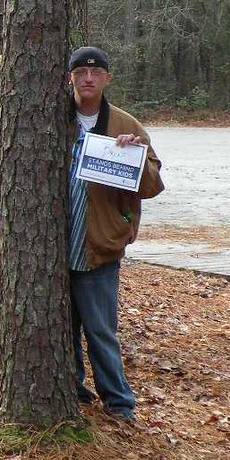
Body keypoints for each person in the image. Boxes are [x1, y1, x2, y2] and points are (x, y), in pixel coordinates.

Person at [66, 46, 164, 422]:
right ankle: (71, 388)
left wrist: (134, 159)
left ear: (107, 79)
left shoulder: (126, 125)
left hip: (99, 248)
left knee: (101, 332)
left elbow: (153, 184)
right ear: (70, 78)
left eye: (96, 72)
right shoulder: (52, 119)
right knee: (63, 332)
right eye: (80, 72)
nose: (88, 78)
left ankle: (119, 403)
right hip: (55, 249)